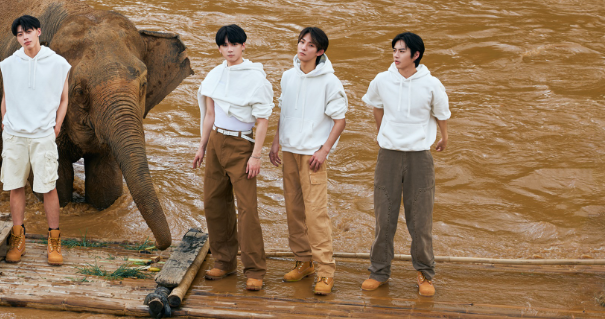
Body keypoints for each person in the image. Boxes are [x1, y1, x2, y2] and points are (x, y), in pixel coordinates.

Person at [361, 32, 450, 296]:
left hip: (419, 157)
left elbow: (442, 114)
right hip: (388, 155)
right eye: (394, 50)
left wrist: (444, 137)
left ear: (416, 55)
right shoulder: (382, 80)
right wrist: (381, 132)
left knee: (420, 220)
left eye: (402, 51)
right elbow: (376, 106)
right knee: (383, 216)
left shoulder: (432, 84)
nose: (396, 55)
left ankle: (425, 274)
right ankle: (379, 272)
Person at [193, 24, 273, 291]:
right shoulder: (215, 75)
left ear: (243, 46)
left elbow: (262, 121)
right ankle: (224, 262)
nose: (229, 49)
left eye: (234, 44)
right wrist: (202, 147)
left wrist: (256, 156)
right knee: (213, 202)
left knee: (248, 208)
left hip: (242, 144)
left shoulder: (256, 79)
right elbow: (210, 114)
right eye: (224, 45)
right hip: (216, 141)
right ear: (219, 48)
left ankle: (255, 270)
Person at [268, 27, 347, 295]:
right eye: (301, 42)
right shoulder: (288, 76)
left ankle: (325, 272)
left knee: (316, 214)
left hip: (313, 155)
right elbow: (283, 111)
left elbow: (340, 120)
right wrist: (276, 141)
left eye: (310, 45)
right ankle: (304, 262)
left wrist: (324, 150)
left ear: (320, 51)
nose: (303, 48)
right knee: (293, 210)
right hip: (289, 151)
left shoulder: (330, 82)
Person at [0, 15, 71, 266]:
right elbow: (6, 96)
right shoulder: (8, 64)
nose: (25, 37)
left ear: (39, 31)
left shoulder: (58, 63)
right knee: (15, 186)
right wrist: (4, 123)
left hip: (43, 135)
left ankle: (54, 241)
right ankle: (18, 239)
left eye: (28, 31)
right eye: (19, 34)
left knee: (48, 187)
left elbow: (64, 99)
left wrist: (58, 125)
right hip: (15, 135)